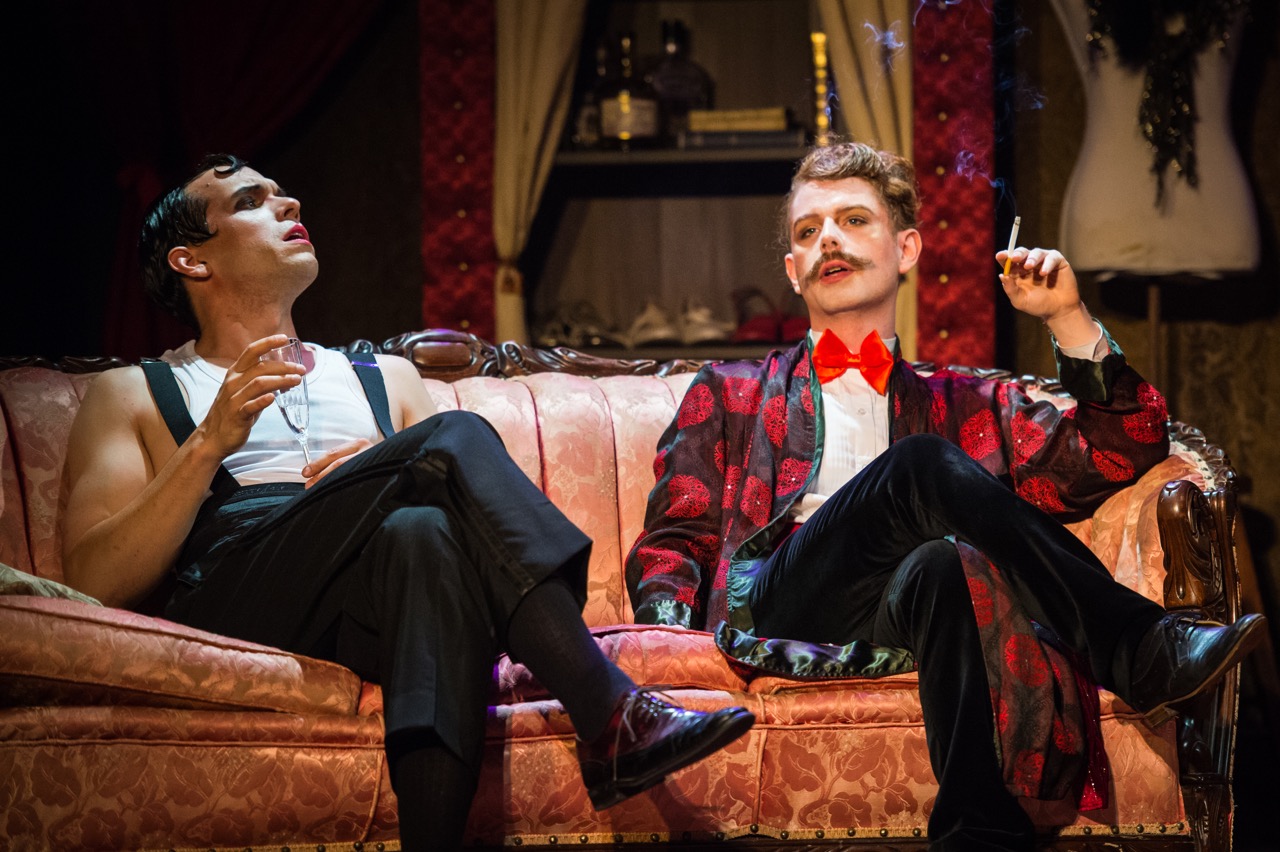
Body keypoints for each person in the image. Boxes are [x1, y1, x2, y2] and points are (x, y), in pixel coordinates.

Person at [60, 153, 754, 851]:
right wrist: (208, 443)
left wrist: (374, 474)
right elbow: (95, 582)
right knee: (452, 438)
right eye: (250, 201)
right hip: (239, 596)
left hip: (365, 607)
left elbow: (475, 540)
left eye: (282, 193)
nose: (289, 204)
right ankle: (607, 709)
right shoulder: (135, 391)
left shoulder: (383, 378)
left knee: (422, 534)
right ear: (191, 261)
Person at [625, 141, 1265, 851]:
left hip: (906, 613)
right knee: (922, 463)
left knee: (940, 562)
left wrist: (1067, 317)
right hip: (785, 605)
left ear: (907, 249)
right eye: (809, 231)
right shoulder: (729, 392)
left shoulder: (970, 403)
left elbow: (1122, 447)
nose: (828, 238)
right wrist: (669, 656)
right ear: (793, 270)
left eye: (852, 220)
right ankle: (1138, 644)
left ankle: (977, 827)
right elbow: (674, 539)